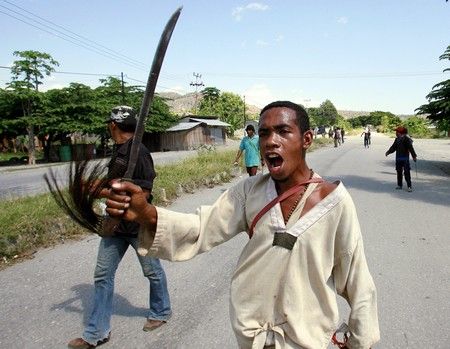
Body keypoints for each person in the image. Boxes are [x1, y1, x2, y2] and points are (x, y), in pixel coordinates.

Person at [106, 101, 380, 349]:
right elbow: (202, 228)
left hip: (307, 340)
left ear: (306, 139)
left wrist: (360, 340)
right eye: (264, 133)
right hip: (253, 336)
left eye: (283, 131)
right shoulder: (249, 192)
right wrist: (148, 214)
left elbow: (357, 279)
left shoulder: (334, 202)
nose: (271, 142)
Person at [68, 106, 172, 349]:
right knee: (103, 274)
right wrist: (95, 185)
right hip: (114, 225)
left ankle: (161, 311)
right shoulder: (120, 153)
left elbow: (143, 193)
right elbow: (115, 183)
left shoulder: (140, 153)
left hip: (137, 226)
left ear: (112, 126)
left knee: (152, 271)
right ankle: (96, 332)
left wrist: (96, 190)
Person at [385, 126, 417, 192]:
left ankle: (409, 186)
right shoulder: (397, 139)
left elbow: (411, 148)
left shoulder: (406, 139)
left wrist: (414, 156)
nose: (396, 133)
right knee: (399, 171)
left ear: (401, 133)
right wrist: (388, 152)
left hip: (405, 158)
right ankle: (399, 185)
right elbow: (393, 147)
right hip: (398, 158)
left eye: (397, 132)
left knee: (406, 172)